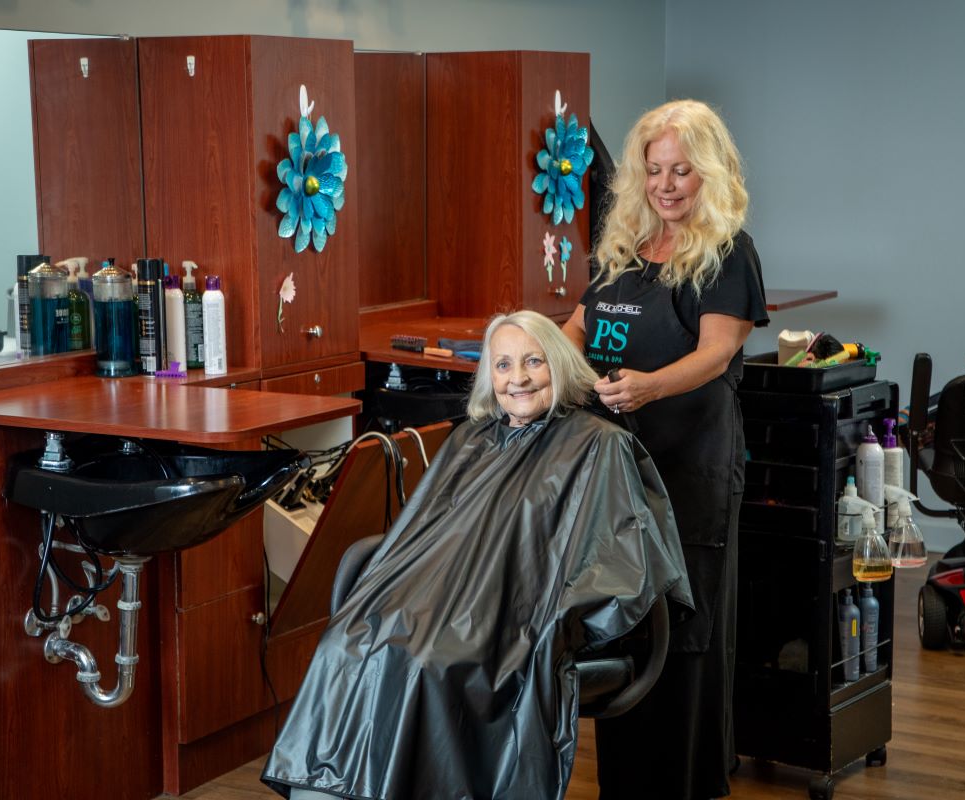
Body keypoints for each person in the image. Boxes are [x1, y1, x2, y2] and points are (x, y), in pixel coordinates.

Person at [262, 310, 693, 800]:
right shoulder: (472, 439)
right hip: (442, 601)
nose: (519, 378)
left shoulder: (599, 445)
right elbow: (425, 535)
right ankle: (329, 789)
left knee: (426, 662)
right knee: (347, 643)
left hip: (516, 616)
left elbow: (616, 555)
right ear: (490, 375)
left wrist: (553, 616)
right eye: (504, 365)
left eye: (534, 361)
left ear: (559, 363)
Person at [563, 99, 769, 800]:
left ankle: (686, 785)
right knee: (626, 626)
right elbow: (575, 329)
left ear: (708, 173)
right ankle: (627, 786)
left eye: (682, 170)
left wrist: (649, 389)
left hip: (688, 470)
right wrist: (527, 357)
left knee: (685, 631)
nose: (668, 184)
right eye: (655, 170)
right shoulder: (624, 249)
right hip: (617, 475)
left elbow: (717, 354)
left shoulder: (726, 251)